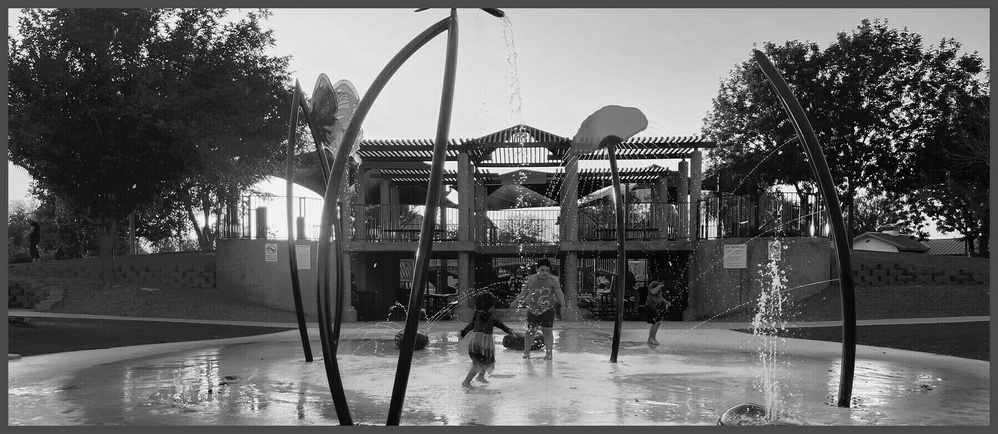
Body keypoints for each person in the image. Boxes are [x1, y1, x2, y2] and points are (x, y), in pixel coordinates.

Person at [458, 292, 517, 389]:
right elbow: (500, 324)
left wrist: (463, 333)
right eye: (492, 304)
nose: (494, 306)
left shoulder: (479, 314)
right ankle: (466, 382)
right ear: (488, 305)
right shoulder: (489, 316)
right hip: (481, 342)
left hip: (480, 341)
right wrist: (509, 331)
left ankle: (481, 376)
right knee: (478, 363)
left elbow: (471, 325)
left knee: (485, 360)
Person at [511, 258, 566, 360]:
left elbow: (559, 293)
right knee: (530, 332)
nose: (544, 273)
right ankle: (526, 352)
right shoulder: (531, 279)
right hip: (532, 310)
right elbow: (525, 291)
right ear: (537, 269)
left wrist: (563, 306)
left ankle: (549, 353)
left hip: (547, 310)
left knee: (547, 332)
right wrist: (517, 300)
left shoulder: (553, 280)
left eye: (547, 271)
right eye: (542, 270)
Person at [645, 279, 670, 345]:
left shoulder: (659, 287)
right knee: (656, 322)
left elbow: (659, 296)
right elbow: (653, 292)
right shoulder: (652, 286)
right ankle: (652, 339)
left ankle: (650, 339)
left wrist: (665, 301)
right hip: (650, 306)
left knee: (654, 323)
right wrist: (659, 286)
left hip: (655, 306)